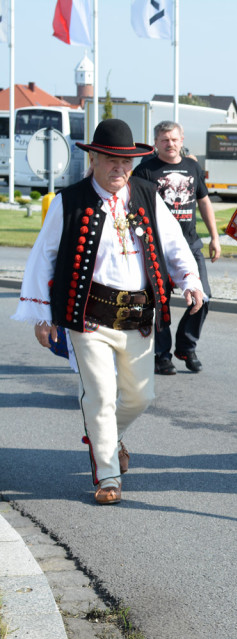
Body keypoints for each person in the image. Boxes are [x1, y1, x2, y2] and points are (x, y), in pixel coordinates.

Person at [13, 118, 204, 505]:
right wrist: (41, 314)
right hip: (89, 316)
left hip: (139, 316)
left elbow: (175, 245)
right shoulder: (70, 201)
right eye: (112, 161)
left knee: (140, 397)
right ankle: (107, 475)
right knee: (99, 396)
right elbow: (43, 257)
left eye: (126, 162)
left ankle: (109, 439)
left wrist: (190, 280)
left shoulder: (148, 196)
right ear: (95, 159)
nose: (120, 169)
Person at [133, 120, 220, 375]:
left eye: (173, 139)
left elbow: (204, 202)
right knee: (160, 302)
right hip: (156, 246)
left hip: (190, 244)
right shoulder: (145, 170)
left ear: (181, 140)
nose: (169, 144)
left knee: (203, 296)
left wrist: (214, 237)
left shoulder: (192, 166)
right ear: (156, 143)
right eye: (164, 140)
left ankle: (186, 346)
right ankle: (161, 355)